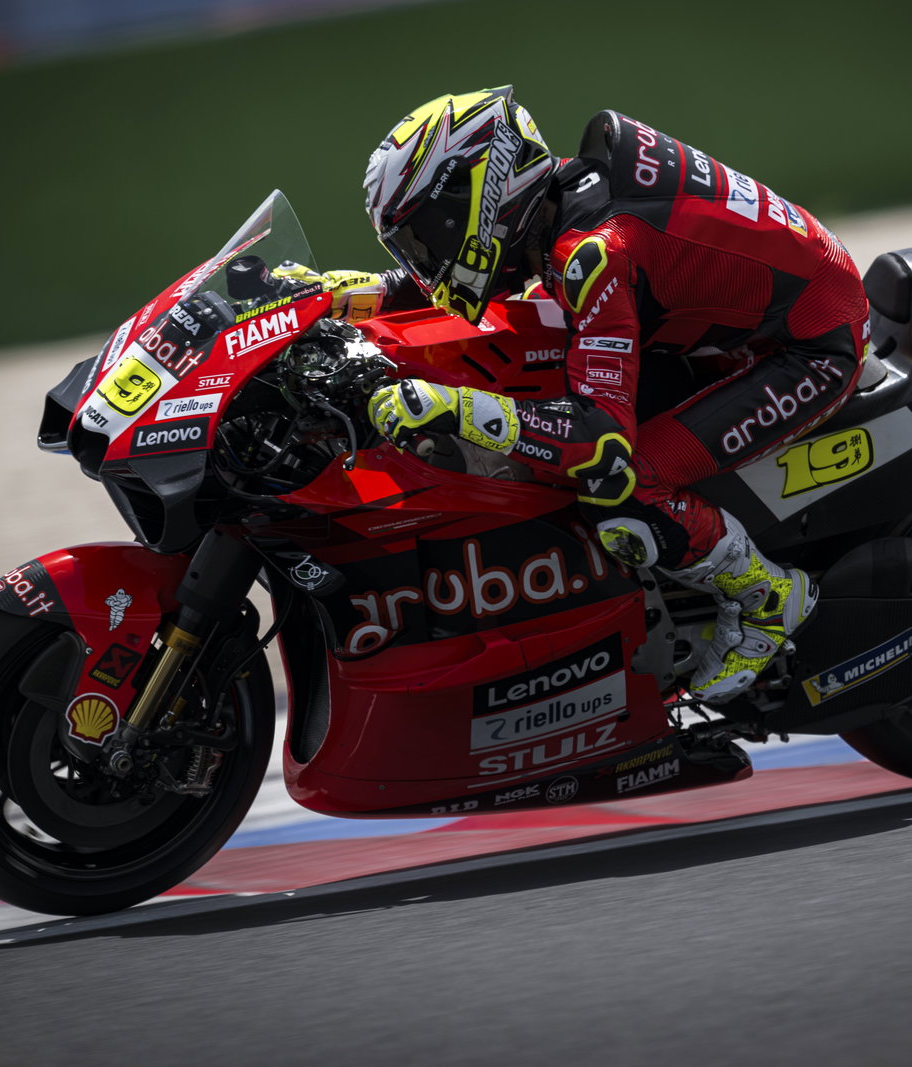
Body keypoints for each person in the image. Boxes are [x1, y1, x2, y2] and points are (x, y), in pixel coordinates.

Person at [306, 86, 869, 701]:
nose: (426, 260)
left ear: (483, 193)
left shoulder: (595, 250)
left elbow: (601, 441)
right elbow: (495, 273)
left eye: (428, 237)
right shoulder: (561, 205)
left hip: (809, 346)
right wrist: (344, 296)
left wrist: (455, 408)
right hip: (733, 324)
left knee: (624, 486)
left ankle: (767, 599)